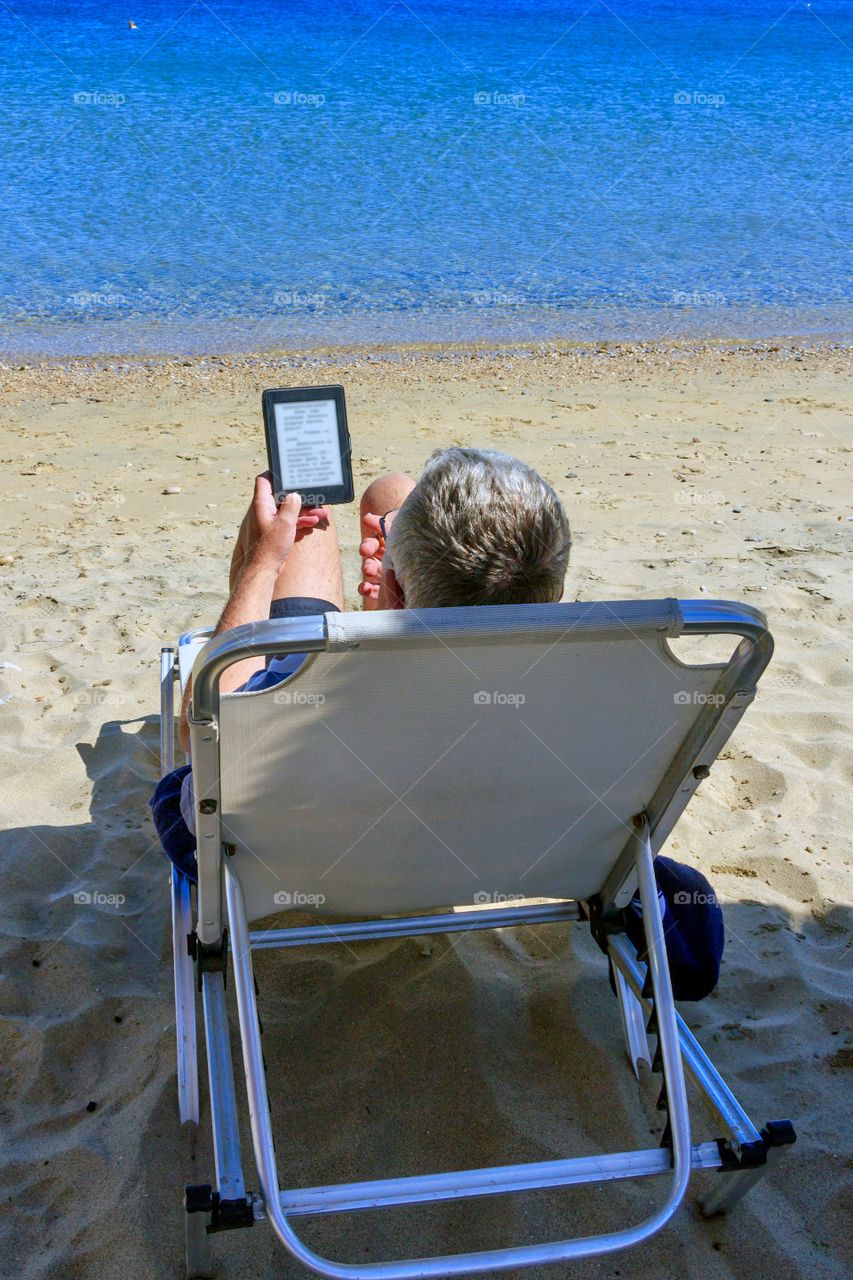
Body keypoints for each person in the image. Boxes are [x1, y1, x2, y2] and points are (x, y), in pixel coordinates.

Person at [150, 446, 723, 1000]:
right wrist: (398, 597)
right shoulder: (602, 693)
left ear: (391, 584)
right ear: (558, 589)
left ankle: (334, 572)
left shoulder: (294, 686)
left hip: (312, 852)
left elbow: (199, 727)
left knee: (305, 515)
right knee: (393, 489)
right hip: (510, 850)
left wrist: (263, 562)